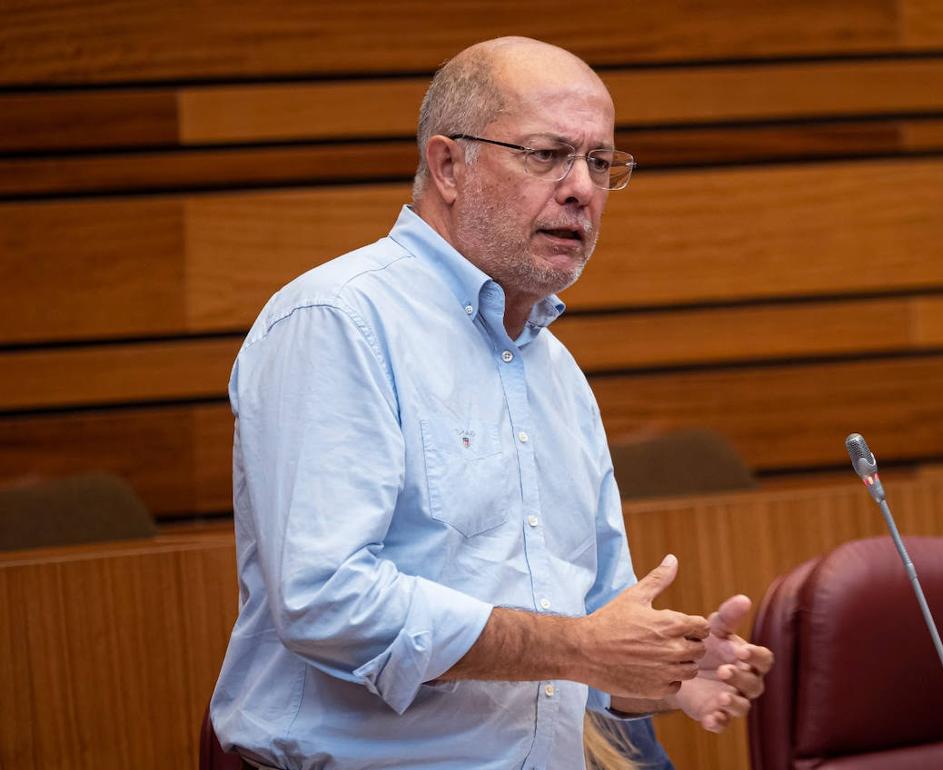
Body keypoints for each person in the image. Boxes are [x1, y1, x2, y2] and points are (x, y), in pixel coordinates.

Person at [210, 36, 773, 770]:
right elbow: (326, 600)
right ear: (448, 165)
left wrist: (661, 674)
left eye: (600, 163)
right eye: (547, 155)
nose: (581, 189)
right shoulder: (338, 320)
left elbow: (592, 637)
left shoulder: (558, 372)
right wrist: (579, 648)